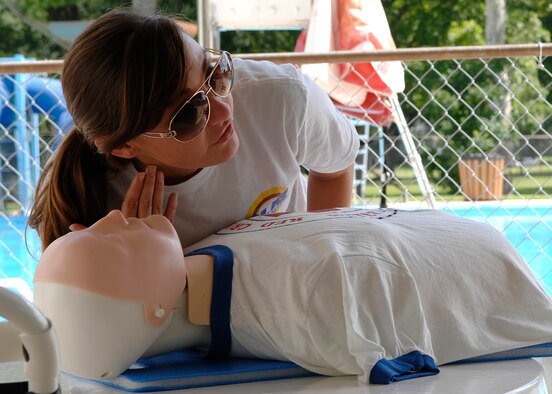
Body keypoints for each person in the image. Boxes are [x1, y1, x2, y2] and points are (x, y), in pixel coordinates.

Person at [34, 208, 552, 384]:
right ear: (155, 308)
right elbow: (386, 354)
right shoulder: (308, 297)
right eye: (108, 240)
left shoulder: (213, 254)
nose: (112, 217)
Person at [28, 8, 360, 250]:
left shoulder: (280, 98)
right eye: (189, 113)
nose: (222, 108)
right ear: (124, 147)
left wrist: (319, 253)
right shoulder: (91, 203)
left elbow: (334, 169)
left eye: (214, 73)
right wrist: (140, 262)